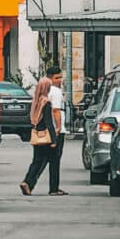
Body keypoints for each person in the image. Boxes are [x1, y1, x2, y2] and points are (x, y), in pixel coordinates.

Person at [19, 77, 57, 196]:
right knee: (50, 161)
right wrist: (53, 140)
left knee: (36, 161)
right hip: (45, 136)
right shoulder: (45, 102)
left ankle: (28, 183)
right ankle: (30, 182)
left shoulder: (35, 101)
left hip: (36, 133)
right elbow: (49, 122)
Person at [47, 65, 68, 196]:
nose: (59, 80)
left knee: (43, 159)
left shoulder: (45, 89)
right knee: (55, 159)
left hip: (48, 128)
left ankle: (29, 182)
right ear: (51, 78)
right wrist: (59, 127)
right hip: (56, 130)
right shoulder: (55, 91)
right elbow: (56, 110)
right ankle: (54, 188)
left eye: (60, 77)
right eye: (57, 78)